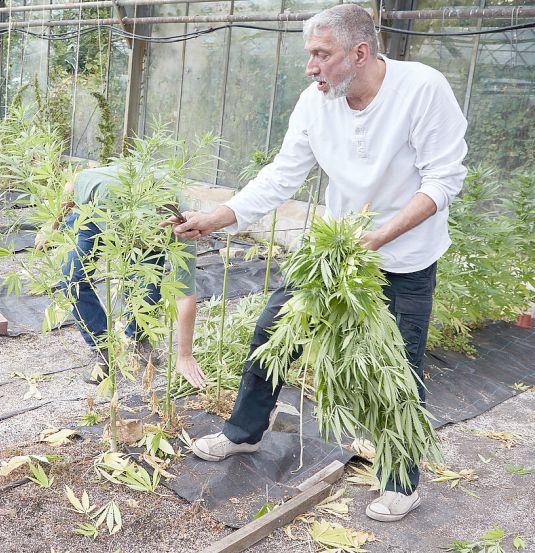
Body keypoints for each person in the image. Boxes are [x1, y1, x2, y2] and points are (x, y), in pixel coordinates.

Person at [164, 4, 467, 522]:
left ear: (360, 52)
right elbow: (283, 176)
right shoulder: (315, 102)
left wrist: (381, 237)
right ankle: (243, 433)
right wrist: (219, 217)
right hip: (335, 250)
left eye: (321, 55)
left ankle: (400, 482)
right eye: (310, 54)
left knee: (398, 371)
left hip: (406, 257)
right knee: (273, 335)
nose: (311, 66)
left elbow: (443, 180)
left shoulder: (422, 89)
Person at [42, 165, 205, 387]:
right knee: (71, 278)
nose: (146, 243)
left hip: (135, 218)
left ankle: (137, 338)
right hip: (93, 213)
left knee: (147, 290)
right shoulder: (100, 187)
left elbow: (185, 294)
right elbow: (72, 184)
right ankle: (103, 347)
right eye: (146, 238)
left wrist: (185, 355)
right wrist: (52, 227)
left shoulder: (184, 222)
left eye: (157, 237)